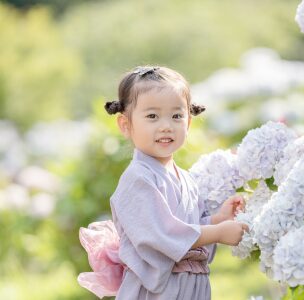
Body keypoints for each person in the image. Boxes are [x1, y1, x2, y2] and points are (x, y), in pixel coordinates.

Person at [77, 66, 248, 300]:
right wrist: (217, 232)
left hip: (190, 288)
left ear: (188, 123)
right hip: (157, 292)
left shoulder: (185, 178)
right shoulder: (138, 179)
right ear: (126, 125)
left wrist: (218, 219)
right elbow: (161, 235)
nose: (166, 125)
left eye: (176, 115)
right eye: (152, 116)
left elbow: (187, 227)